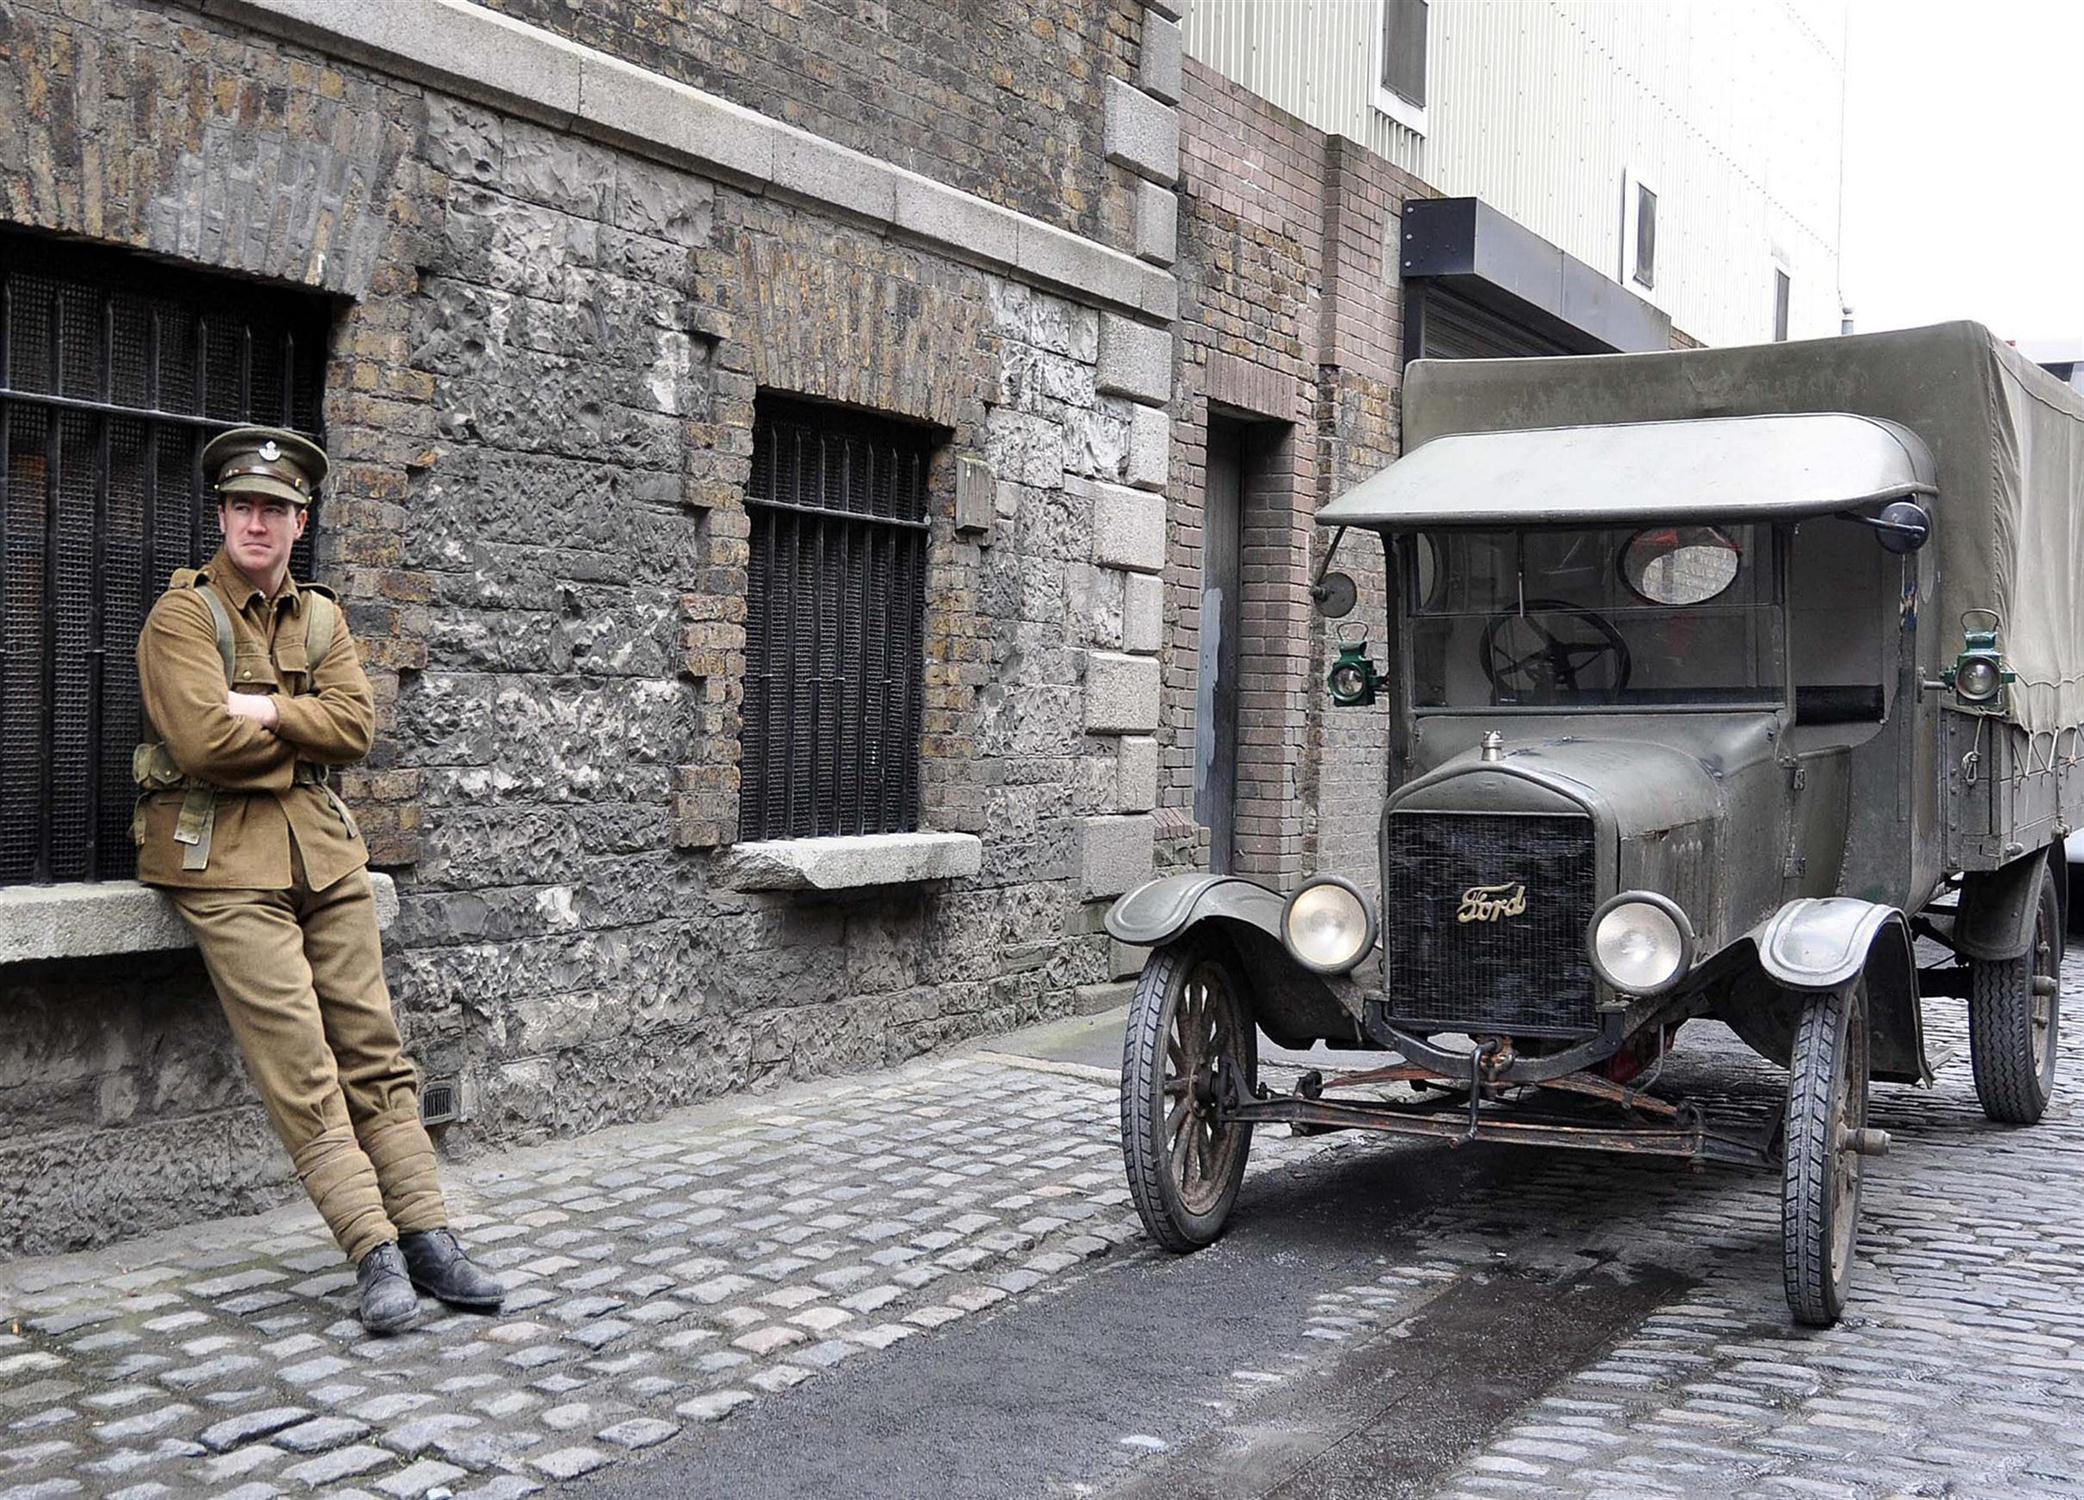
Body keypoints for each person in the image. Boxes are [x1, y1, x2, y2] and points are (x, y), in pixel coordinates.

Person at [134, 425, 502, 1335]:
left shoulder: (324, 619)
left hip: (325, 854)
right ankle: (372, 1251)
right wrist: (297, 732)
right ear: (221, 515)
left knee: (375, 1049)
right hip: (219, 860)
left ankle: (427, 1233)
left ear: (301, 522)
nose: (256, 523)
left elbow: (357, 729)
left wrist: (262, 708)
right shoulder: (181, 618)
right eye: (242, 506)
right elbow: (200, 744)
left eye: (276, 509)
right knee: (301, 1064)